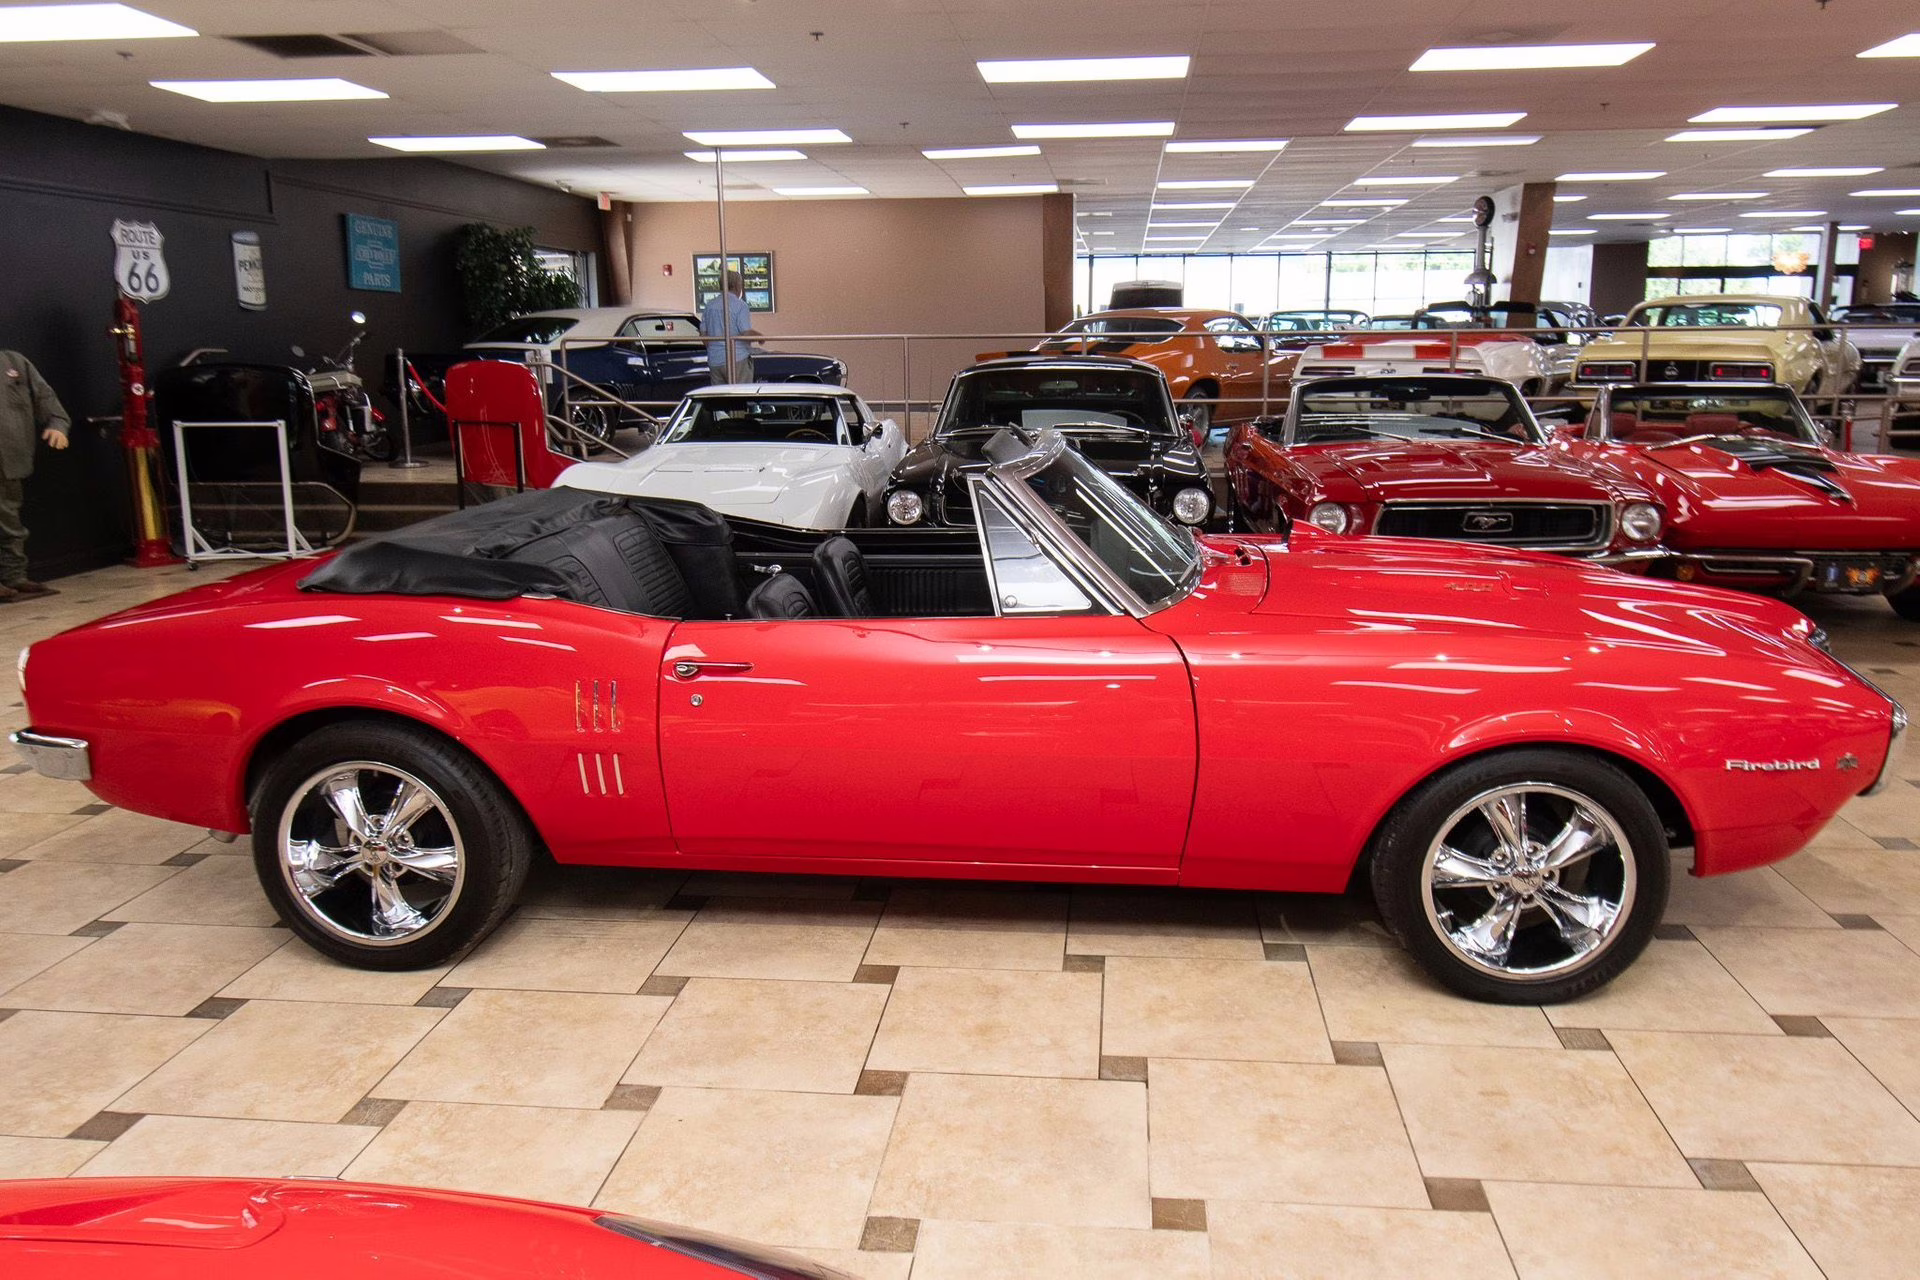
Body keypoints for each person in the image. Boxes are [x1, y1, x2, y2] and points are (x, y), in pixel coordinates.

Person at [0, 349, 69, 601]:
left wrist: (57, 424)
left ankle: (14, 576)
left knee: (9, 519)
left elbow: (45, 397)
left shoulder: (14, 362)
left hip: (10, 456)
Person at [699, 270, 763, 383]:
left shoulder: (709, 306)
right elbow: (746, 333)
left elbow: (704, 336)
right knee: (740, 395)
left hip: (715, 361)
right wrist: (760, 337)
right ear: (736, 286)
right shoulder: (740, 306)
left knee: (720, 398)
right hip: (737, 359)